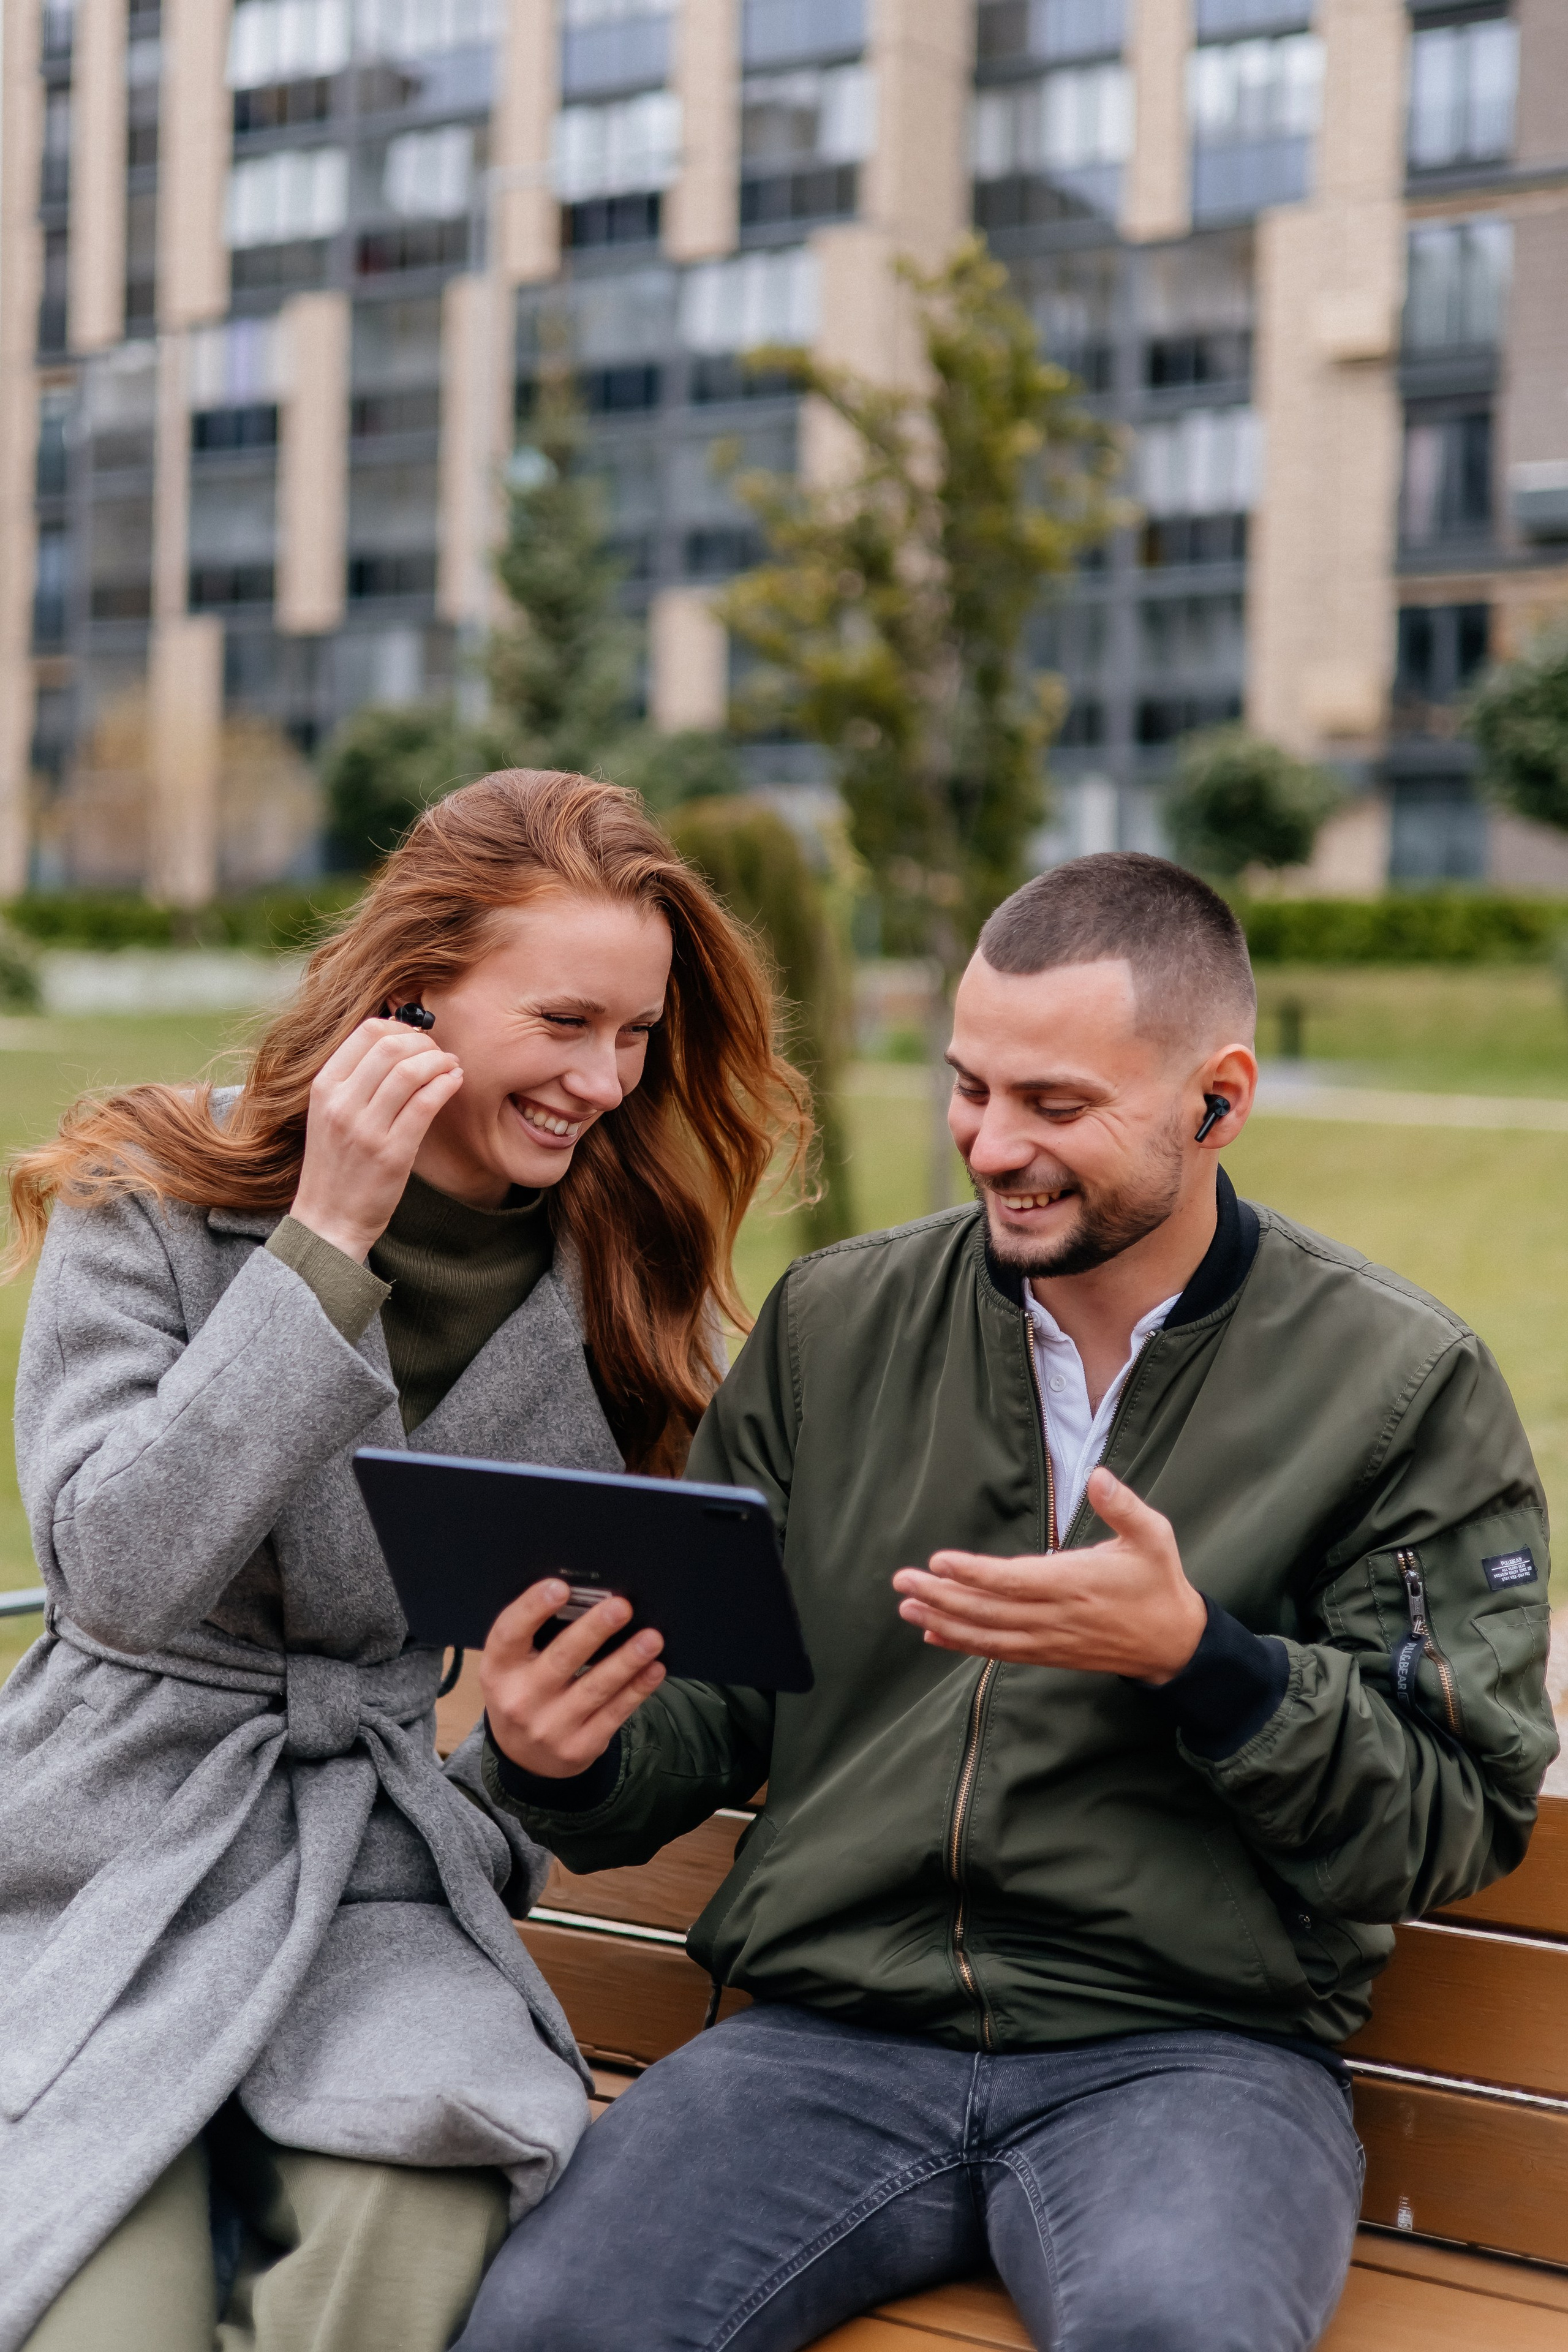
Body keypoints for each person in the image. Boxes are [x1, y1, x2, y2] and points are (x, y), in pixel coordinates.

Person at [462, 852, 1556, 2352]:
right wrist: (558, 1751)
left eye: (1055, 1107)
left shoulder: (1397, 1388)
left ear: (1215, 1100)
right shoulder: (835, 1325)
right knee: (543, 2333)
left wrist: (1205, 1666)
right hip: (822, 2040)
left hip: (1188, 2060)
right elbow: (709, 1708)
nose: (991, 1145)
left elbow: (1451, 1814)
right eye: (970, 1088)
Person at [0, 770, 807, 2352]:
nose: (605, 1079)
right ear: (414, 995)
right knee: (103, 2298)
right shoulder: (153, 1193)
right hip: (111, 1861)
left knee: (425, 2201)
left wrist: (519, 1761)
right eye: (566, 1021)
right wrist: (326, 1243)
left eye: (636, 1036)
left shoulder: (620, 1287)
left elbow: (633, 1686)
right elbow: (116, 1575)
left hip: (385, 1896)